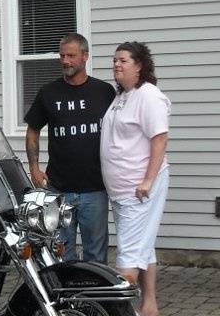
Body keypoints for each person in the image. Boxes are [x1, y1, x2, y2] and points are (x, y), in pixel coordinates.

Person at [24, 33, 115, 263]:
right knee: (62, 254)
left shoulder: (104, 92)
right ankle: (67, 299)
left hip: (95, 188)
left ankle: (94, 298)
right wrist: (34, 167)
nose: (66, 61)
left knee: (96, 255)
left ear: (85, 56)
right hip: (59, 189)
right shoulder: (48, 93)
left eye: (71, 56)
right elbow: (33, 130)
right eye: (62, 55)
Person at [100, 42, 170, 316]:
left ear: (139, 65)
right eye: (114, 60)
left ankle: (121, 311)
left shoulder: (149, 96)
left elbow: (160, 138)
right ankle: (149, 306)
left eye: (123, 60)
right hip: (122, 191)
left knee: (127, 260)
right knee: (143, 246)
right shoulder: (123, 96)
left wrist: (148, 181)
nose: (116, 64)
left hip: (138, 190)